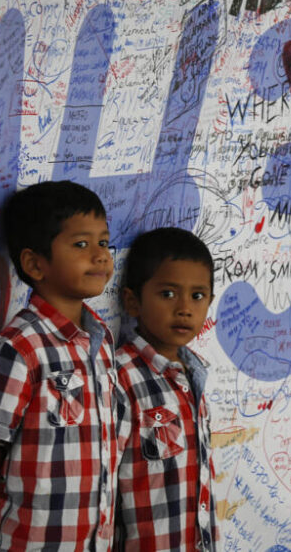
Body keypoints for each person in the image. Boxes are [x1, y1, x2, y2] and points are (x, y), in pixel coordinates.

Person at [0, 180, 118, 551]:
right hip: (26, 541)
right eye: (81, 244)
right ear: (34, 263)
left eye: (104, 242)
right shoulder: (20, 346)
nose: (100, 256)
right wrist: (22, 470)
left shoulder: (101, 341)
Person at [114, 227, 218, 551]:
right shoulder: (120, 378)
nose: (184, 308)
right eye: (168, 294)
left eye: (197, 296)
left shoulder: (194, 376)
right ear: (132, 301)